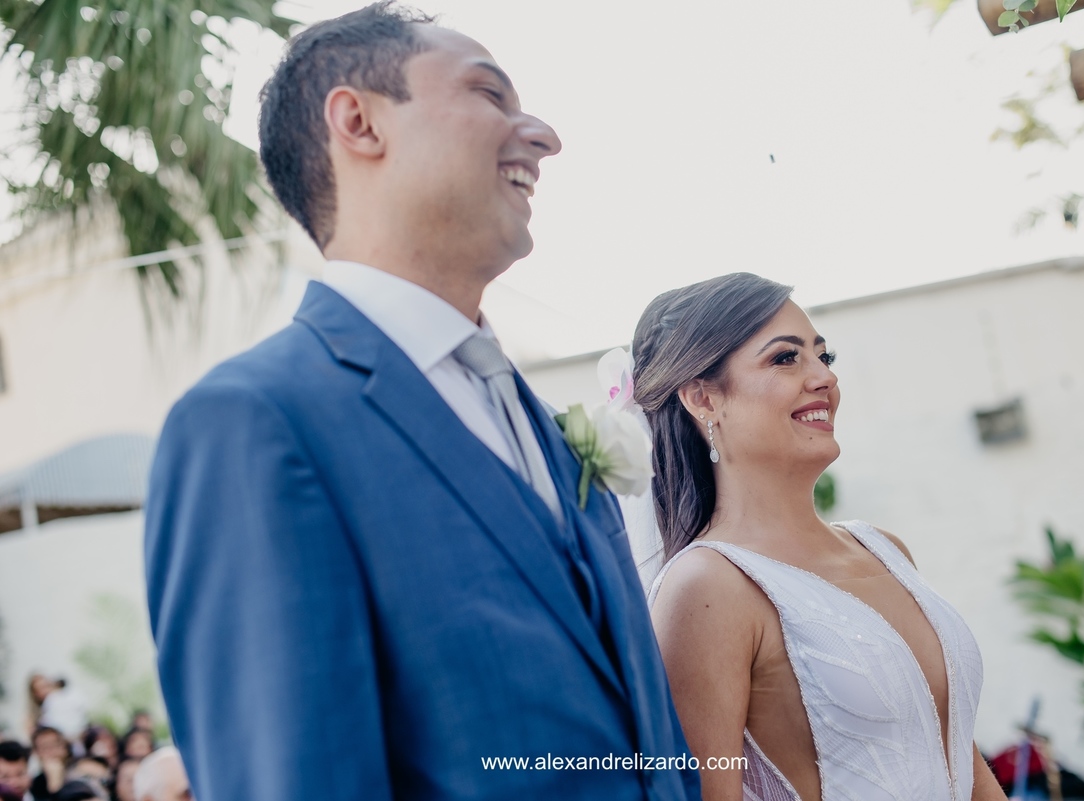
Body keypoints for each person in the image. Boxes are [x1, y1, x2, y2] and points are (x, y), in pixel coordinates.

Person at [143, 4, 699, 800]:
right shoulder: (256, 423)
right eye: (489, 95)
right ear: (359, 122)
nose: (541, 135)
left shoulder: (540, 424)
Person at [637, 273, 1008, 800]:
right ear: (703, 398)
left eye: (824, 358)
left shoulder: (884, 549)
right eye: (785, 358)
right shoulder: (706, 588)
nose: (824, 379)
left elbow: (959, 758)